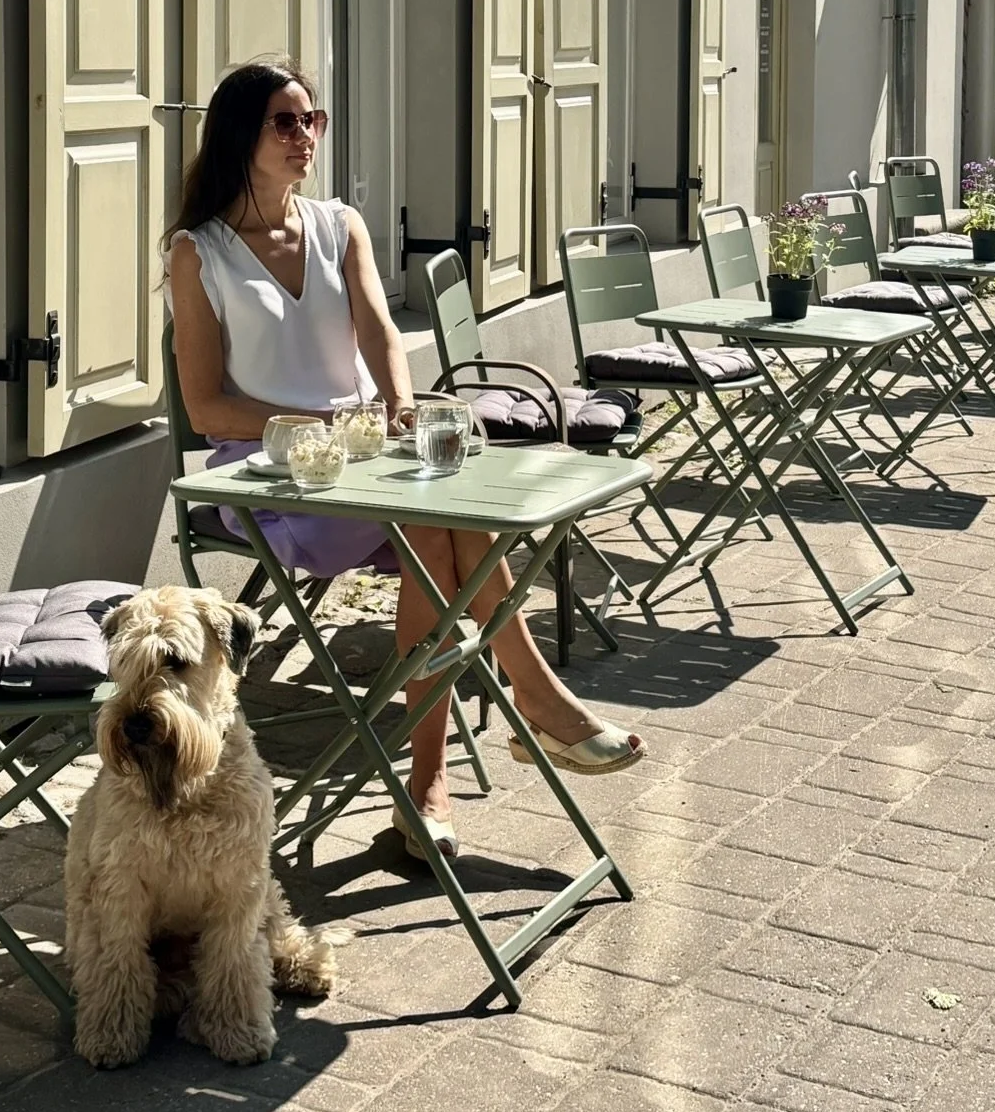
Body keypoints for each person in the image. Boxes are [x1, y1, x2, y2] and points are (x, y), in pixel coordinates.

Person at [166, 58, 645, 860]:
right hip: (273, 478)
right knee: (438, 528)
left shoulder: (338, 225)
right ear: (238, 134)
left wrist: (396, 405)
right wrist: (324, 421)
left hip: (369, 461)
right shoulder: (200, 253)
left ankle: (432, 788)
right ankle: (523, 713)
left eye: (312, 120)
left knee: (445, 527)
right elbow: (209, 407)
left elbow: (381, 334)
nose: (304, 136)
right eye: (285, 122)